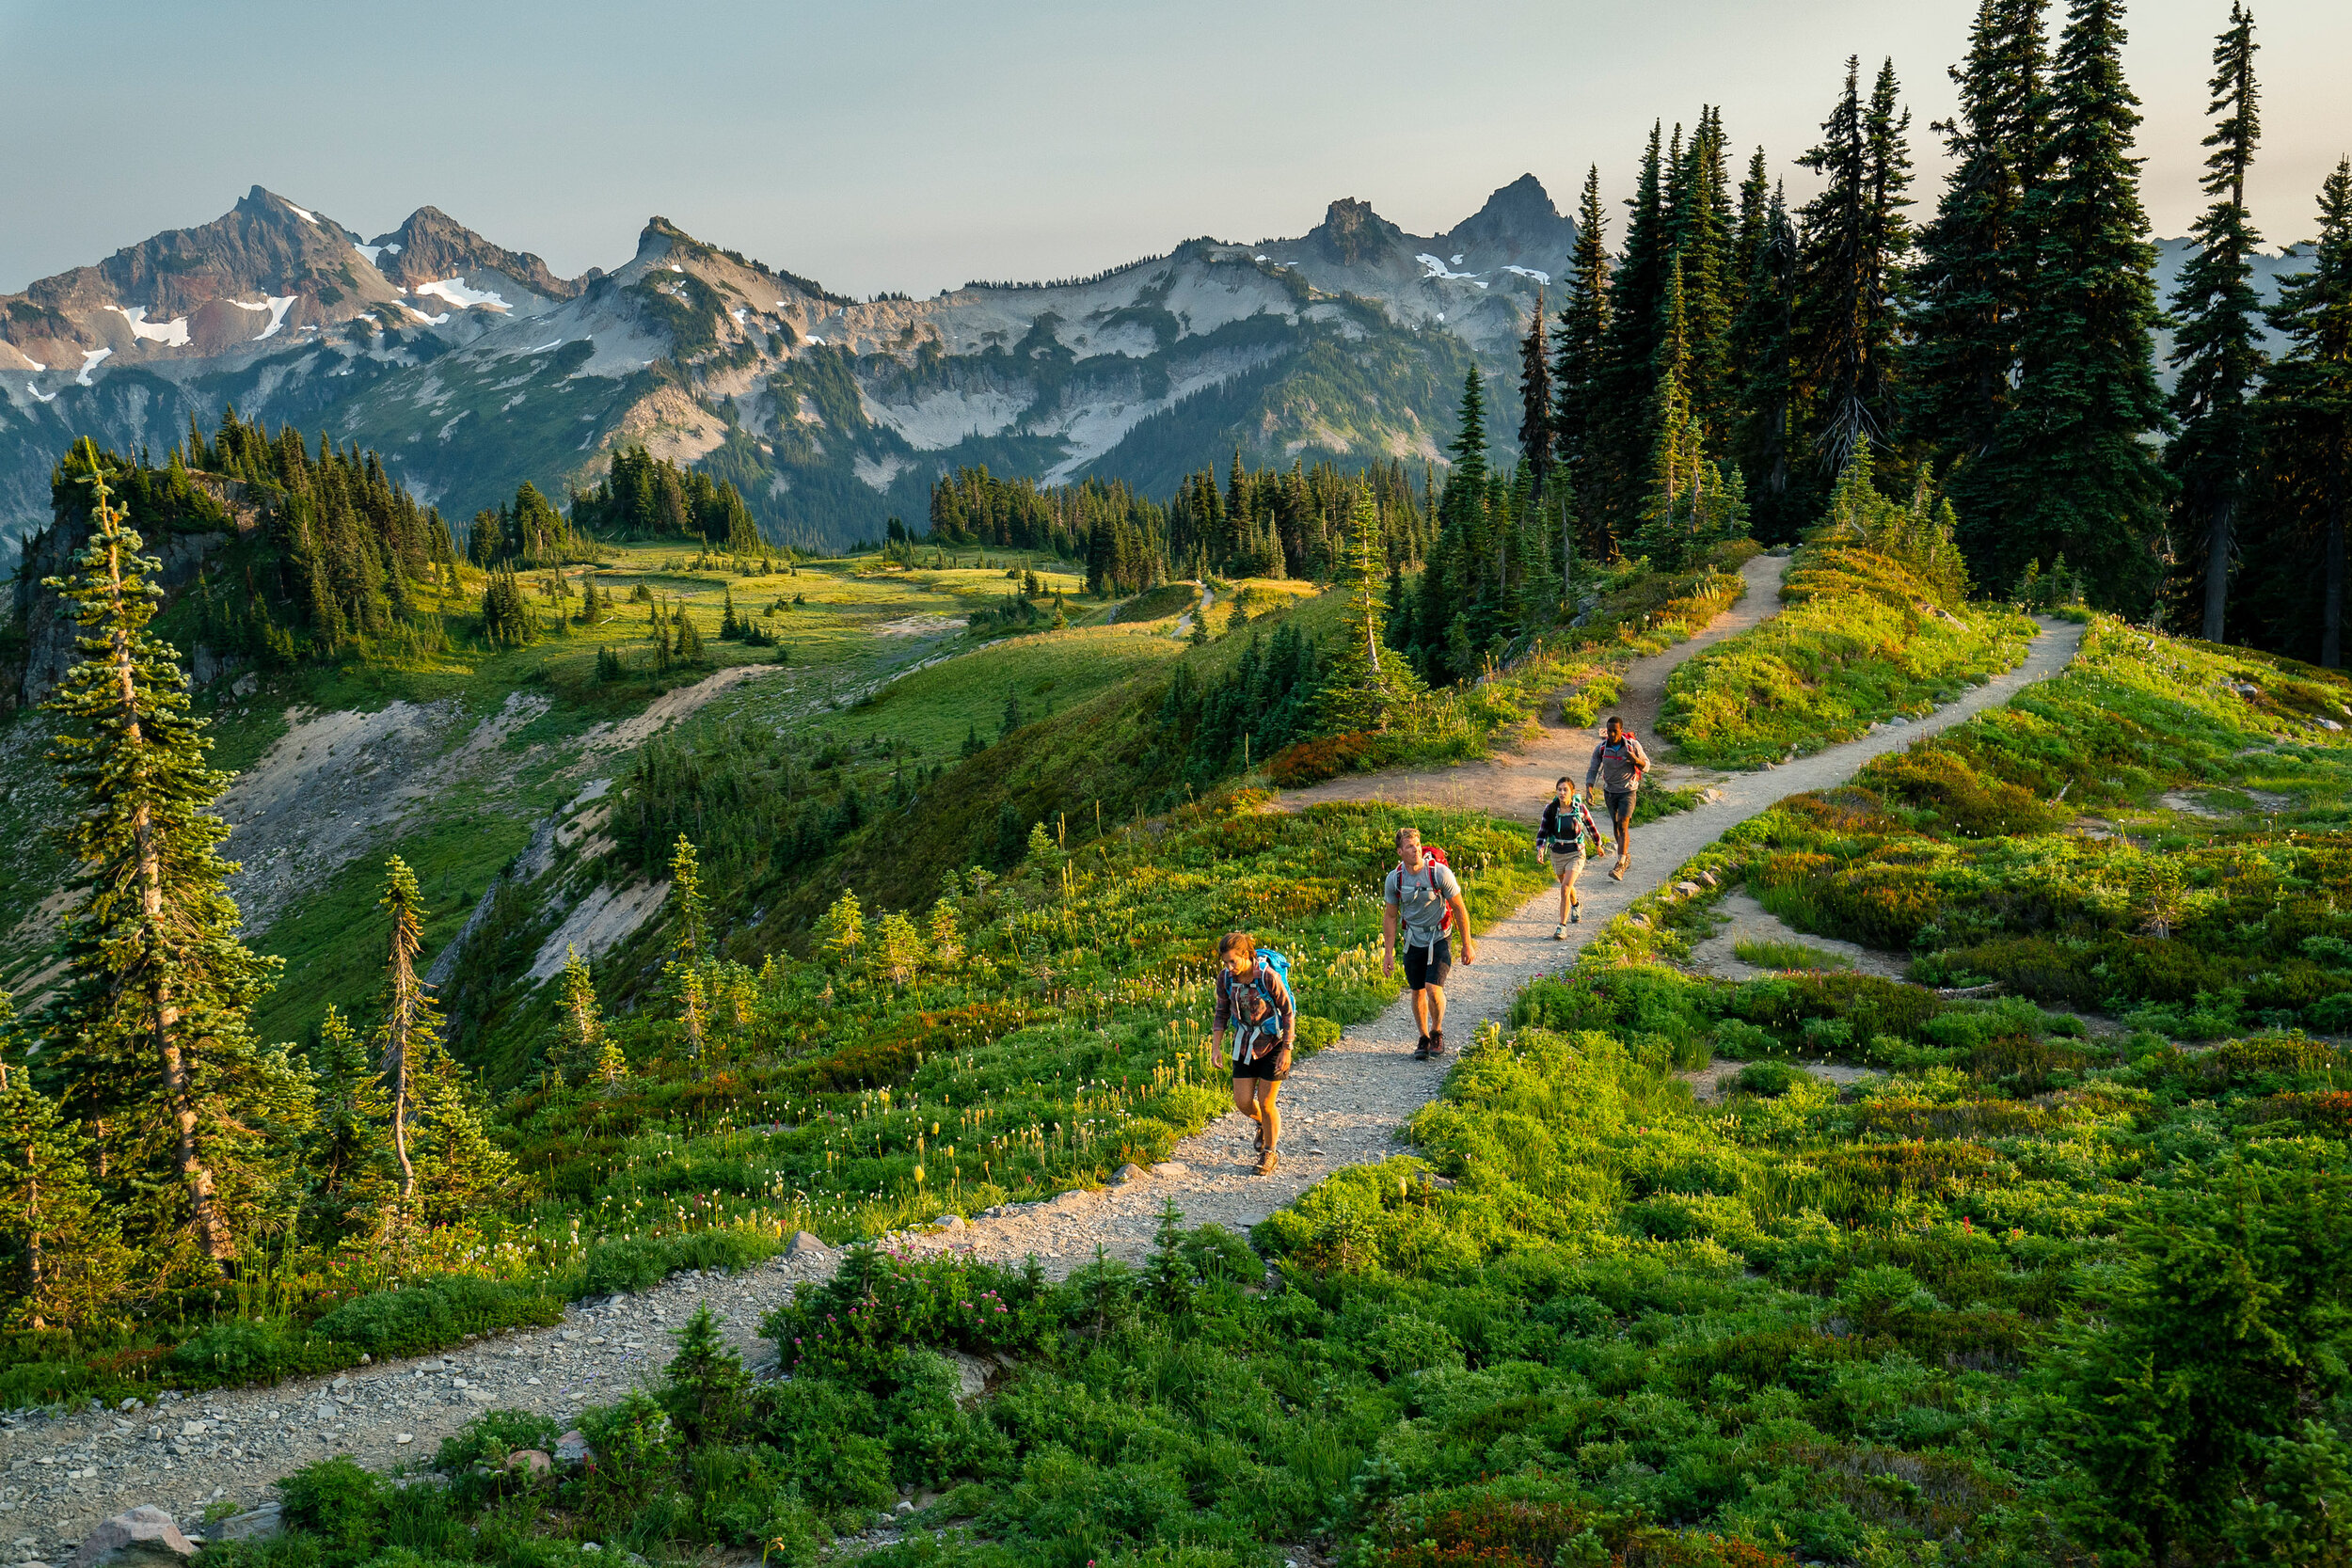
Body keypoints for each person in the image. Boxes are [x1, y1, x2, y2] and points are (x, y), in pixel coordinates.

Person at [1382, 826, 1475, 1060]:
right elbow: (1391, 916)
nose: (1416, 850)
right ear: (1400, 852)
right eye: (1410, 846)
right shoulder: (1395, 879)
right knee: (1417, 992)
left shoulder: (1440, 873)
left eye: (1418, 845)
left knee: (1434, 989)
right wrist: (1388, 953)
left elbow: (1459, 908)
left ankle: (1437, 1032)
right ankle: (1423, 1038)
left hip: (1439, 936)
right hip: (1413, 939)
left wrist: (1467, 944)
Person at [1212, 930, 1294, 1175]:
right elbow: (1221, 1013)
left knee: (1267, 1103)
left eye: (1232, 961)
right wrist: (1216, 1047)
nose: (1229, 967)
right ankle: (1262, 1124)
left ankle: (1270, 1152)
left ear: (1246, 955)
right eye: (1225, 962)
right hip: (1244, 1043)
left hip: (1273, 1043)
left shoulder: (1267, 977)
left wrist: (1287, 1049)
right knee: (1244, 1103)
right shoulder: (1225, 979)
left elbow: (1288, 1012)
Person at [1584, 715, 1649, 881]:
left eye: (1615, 731)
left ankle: (1620, 864)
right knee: (1616, 826)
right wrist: (1589, 789)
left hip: (1628, 791)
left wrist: (1635, 760)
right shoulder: (1601, 748)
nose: (1612, 735)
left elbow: (1647, 765)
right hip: (1610, 791)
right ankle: (1625, 856)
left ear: (1621, 730)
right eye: (1609, 731)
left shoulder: (1632, 746)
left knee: (1623, 824)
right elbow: (1593, 769)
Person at [1536, 776, 1589, 938]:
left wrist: (1599, 844)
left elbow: (1591, 825)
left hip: (1576, 852)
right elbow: (1543, 831)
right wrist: (1540, 848)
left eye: (1565, 789)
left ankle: (1562, 926)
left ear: (1572, 792)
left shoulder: (1579, 808)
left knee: (1565, 887)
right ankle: (1576, 905)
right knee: (1566, 885)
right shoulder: (1551, 809)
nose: (1562, 792)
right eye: (1559, 789)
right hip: (1557, 853)